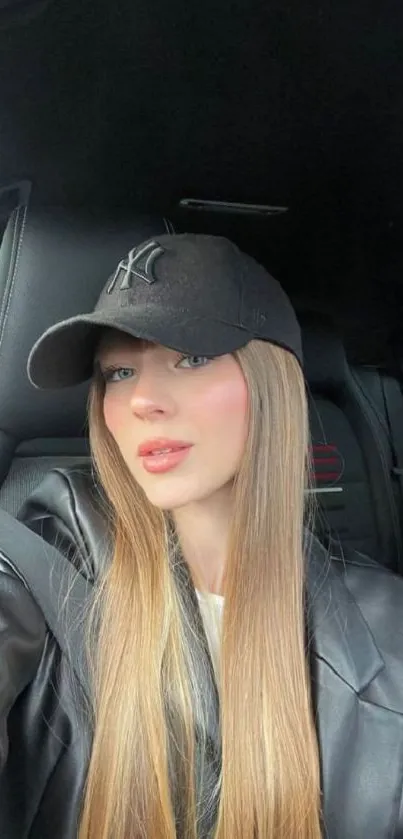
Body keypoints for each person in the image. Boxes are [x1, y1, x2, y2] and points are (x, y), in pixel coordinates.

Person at [1, 233, 403, 839]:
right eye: (119, 371)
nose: (142, 400)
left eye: (190, 357)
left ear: (272, 383)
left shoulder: (386, 632)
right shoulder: (45, 564)